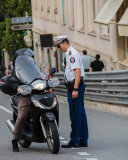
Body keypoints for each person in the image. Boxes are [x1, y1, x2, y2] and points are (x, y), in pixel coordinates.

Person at [53, 36, 88, 148]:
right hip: (76, 86)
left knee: (75, 115)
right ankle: (83, 139)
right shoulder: (70, 53)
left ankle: (75, 140)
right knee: (81, 114)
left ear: (64, 43)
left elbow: (77, 71)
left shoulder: (71, 53)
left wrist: (75, 89)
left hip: (74, 87)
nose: (58, 49)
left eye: (58, 46)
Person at [10, 54, 31, 152]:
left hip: (35, 92)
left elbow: (41, 76)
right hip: (23, 94)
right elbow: (13, 81)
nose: (28, 59)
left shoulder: (33, 67)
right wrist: (17, 88)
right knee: (21, 116)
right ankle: (15, 139)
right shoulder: (16, 70)